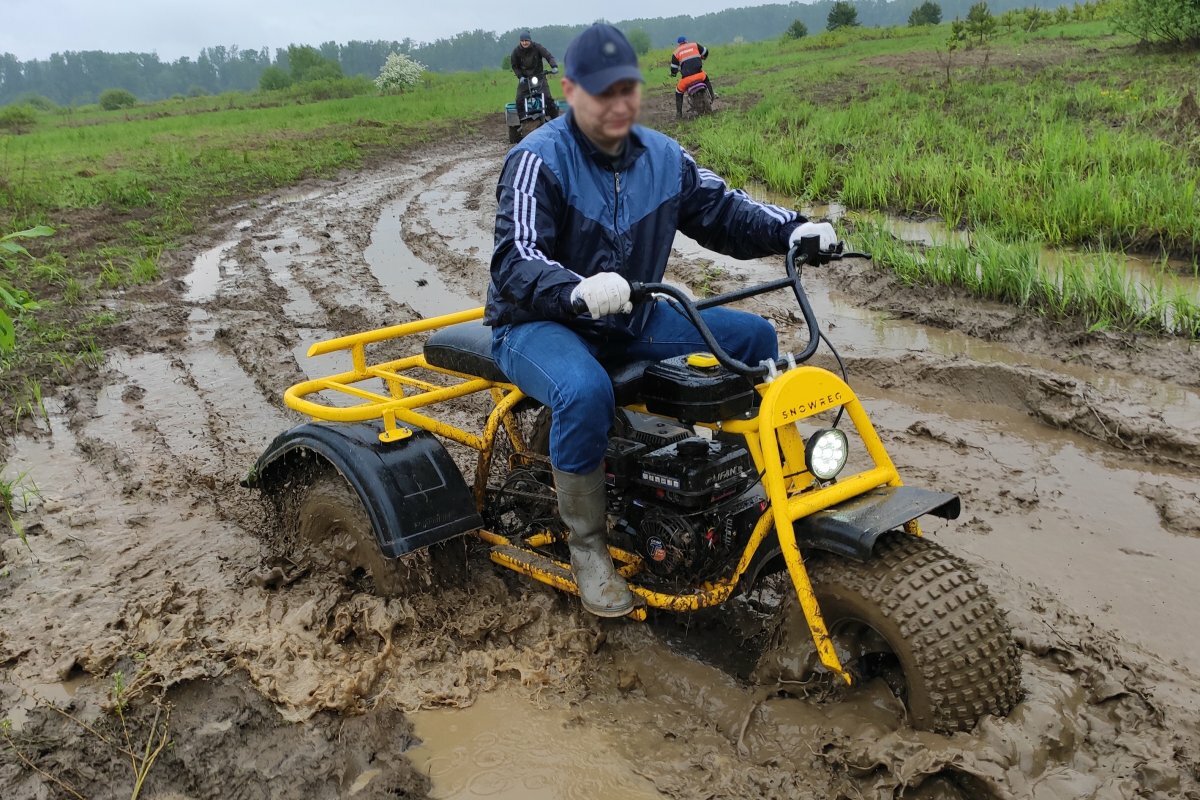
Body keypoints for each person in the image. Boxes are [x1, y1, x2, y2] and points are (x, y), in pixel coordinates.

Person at [486, 23, 837, 618]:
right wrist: (575, 290)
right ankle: (589, 546)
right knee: (583, 390)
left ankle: (740, 496)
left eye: (626, 89)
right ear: (569, 91)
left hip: (630, 317)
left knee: (753, 338)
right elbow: (514, 258)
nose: (616, 104)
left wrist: (792, 228)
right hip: (536, 323)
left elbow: (725, 212)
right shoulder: (536, 160)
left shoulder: (664, 158)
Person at [511, 30, 559, 119]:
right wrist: (520, 76)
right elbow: (514, 66)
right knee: (519, 100)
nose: (524, 43)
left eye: (526, 41)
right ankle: (522, 121)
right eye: (522, 41)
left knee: (548, 98)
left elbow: (548, 56)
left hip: (539, 77)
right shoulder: (516, 52)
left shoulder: (537, 47)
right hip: (525, 80)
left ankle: (554, 120)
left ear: (530, 40)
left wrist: (554, 66)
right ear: (520, 41)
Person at [670, 35, 714, 119]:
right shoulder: (694, 45)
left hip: (686, 80)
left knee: (678, 92)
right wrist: (703, 57)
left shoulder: (676, 52)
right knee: (706, 79)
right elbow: (706, 52)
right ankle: (712, 96)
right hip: (700, 76)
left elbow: (673, 69)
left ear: (678, 44)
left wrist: (674, 74)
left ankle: (679, 114)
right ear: (686, 41)